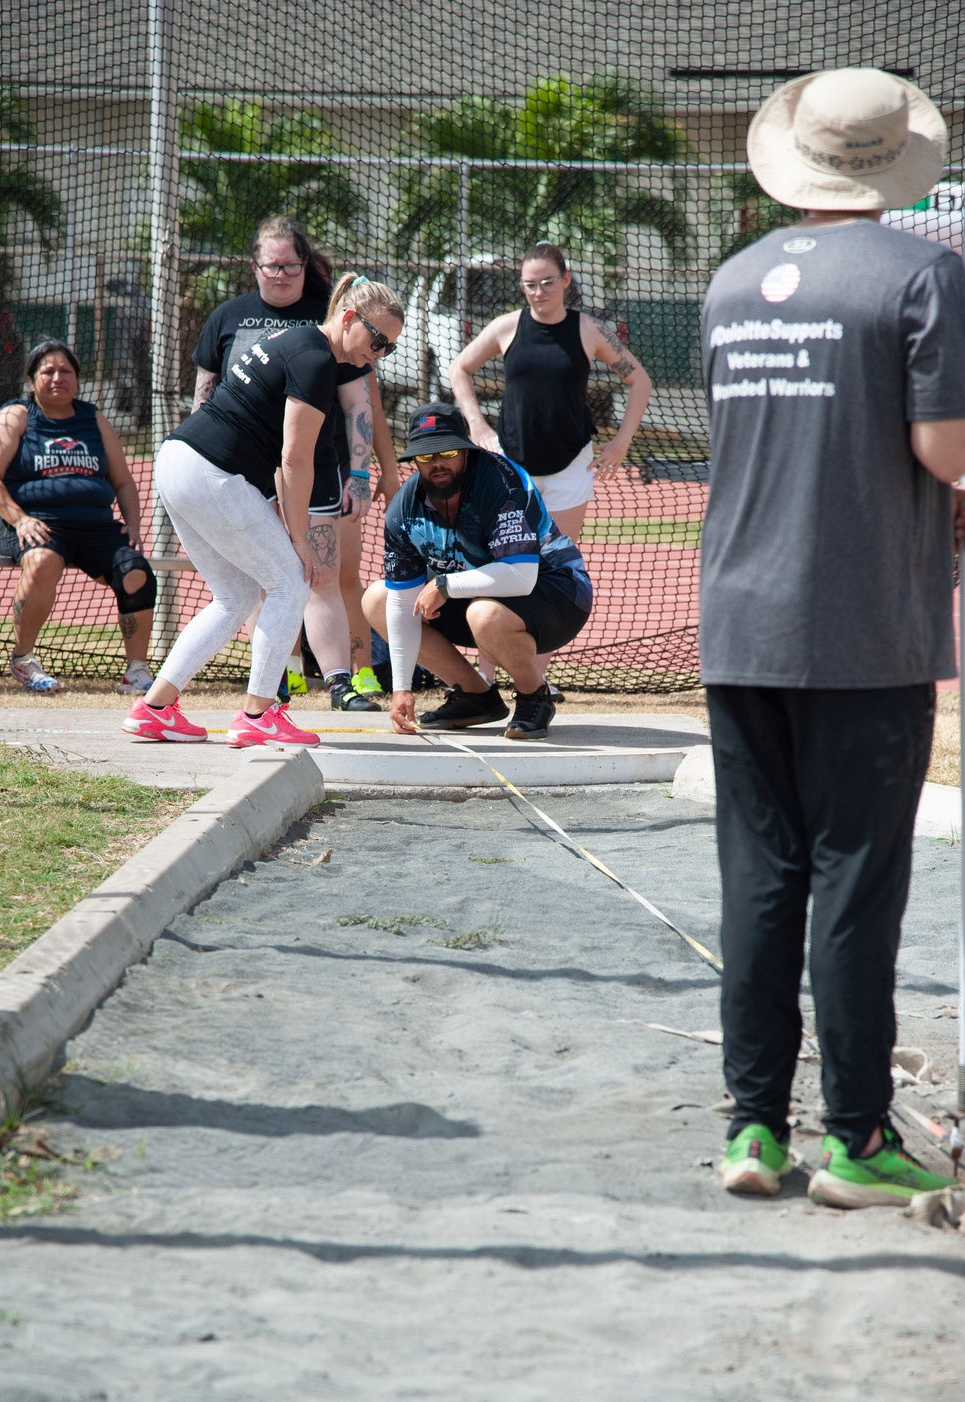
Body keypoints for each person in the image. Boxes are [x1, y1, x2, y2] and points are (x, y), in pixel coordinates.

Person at [702, 68, 965, 1207]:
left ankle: (754, 1130)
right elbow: (944, 451)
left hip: (738, 619)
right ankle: (856, 1138)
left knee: (759, 879)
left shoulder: (731, 280)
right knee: (855, 883)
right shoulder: (924, 274)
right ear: (895, 166)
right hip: (861, 625)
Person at [122, 274, 403, 747]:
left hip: (179, 463)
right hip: (211, 472)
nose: (377, 355)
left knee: (236, 597)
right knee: (291, 580)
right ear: (350, 319)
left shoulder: (300, 343)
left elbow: (268, 451)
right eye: (378, 341)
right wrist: (298, 540)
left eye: (388, 349)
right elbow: (294, 460)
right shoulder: (315, 359)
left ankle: (154, 707)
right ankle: (259, 713)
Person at [192, 216, 399, 706]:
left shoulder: (329, 329)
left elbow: (357, 407)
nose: (281, 273)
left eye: (291, 265)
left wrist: (362, 472)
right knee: (262, 581)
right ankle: (275, 681)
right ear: (255, 267)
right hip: (246, 470)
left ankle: (341, 683)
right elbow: (205, 396)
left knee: (320, 575)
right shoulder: (230, 316)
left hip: (313, 467)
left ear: (305, 266)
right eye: (273, 265)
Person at [449, 241, 651, 687]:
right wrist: (477, 425)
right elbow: (459, 369)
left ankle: (534, 681)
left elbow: (639, 379)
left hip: (568, 468)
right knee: (497, 567)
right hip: (510, 470)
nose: (537, 292)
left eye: (545, 282)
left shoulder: (589, 330)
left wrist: (621, 441)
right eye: (528, 284)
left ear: (565, 281)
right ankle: (485, 680)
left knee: (550, 570)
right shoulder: (506, 327)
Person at [362, 402, 592, 741]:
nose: (437, 463)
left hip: (557, 593)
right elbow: (400, 604)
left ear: (466, 451)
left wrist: (444, 584)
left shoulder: (501, 481)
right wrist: (401, 689)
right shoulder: (403, 508)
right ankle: (475, 697)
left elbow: (521, 575)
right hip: (477, 599)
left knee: (485, 614)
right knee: (377, 598)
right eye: (426, 457)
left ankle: (534, 697)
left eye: (448, 451)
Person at [0, 338, 156, 695]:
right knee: (42, 562)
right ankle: (24, 660)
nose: (58, 378)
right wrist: (20, 518)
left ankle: (136, 670)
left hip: (95, 526)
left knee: (136, 572)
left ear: (77, 378)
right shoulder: (16, 416)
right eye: (48, 371)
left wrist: (132, 524)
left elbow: (123, 482)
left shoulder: (94, 419)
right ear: (31, 380)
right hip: (35, 522)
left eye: (66, 371)